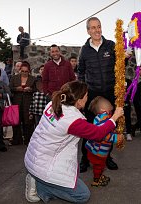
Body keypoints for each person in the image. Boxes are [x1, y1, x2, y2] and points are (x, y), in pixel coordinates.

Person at [24, 81, 124, 203]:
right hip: (45, 165)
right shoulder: (72, 120)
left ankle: (37, 178)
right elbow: (98, 134)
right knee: (82, 195)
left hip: (34, 157)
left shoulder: (53, 103)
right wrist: (115, 117)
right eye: (86, 95)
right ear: (79, 100)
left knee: (72, 183)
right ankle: (41, 188)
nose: (88, 98)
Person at [78, 17, 118, 172]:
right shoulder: (84, 50)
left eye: (99, 27)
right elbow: (81, 73)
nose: (96, 30)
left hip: (109, 92)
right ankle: (85, 158)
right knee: (89, 126)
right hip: (92, 94)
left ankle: (107, 157)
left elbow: (120, 65)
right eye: (93, 27)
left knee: (109, 126)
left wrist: (126, 58)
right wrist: (82, 93)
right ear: (88, 30)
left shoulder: (111, 45)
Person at [85, 96, 123, 186]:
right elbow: (105, 135)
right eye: (108, 104)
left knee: (99, 166)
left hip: (94, 148)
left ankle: (99, 176)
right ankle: (96, 180)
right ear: (103, 109)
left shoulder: (100, 117)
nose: (110, 104)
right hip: (98, 150)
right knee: (99, 166)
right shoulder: (104, 119)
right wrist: (116, 138)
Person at [9, 62, 36, 145]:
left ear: (29, 71)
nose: (24, 73)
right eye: (23, 71)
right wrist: (17, 89)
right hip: (16, 102)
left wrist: (30, 89)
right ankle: (17, 140)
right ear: (20, 70)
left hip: (28, 102)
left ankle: (28, 140)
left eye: (26, 71)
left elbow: (36, 89)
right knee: (16, 121)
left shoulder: (33, 79)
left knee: (28, 122)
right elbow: (10, 88)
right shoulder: (14, 78)